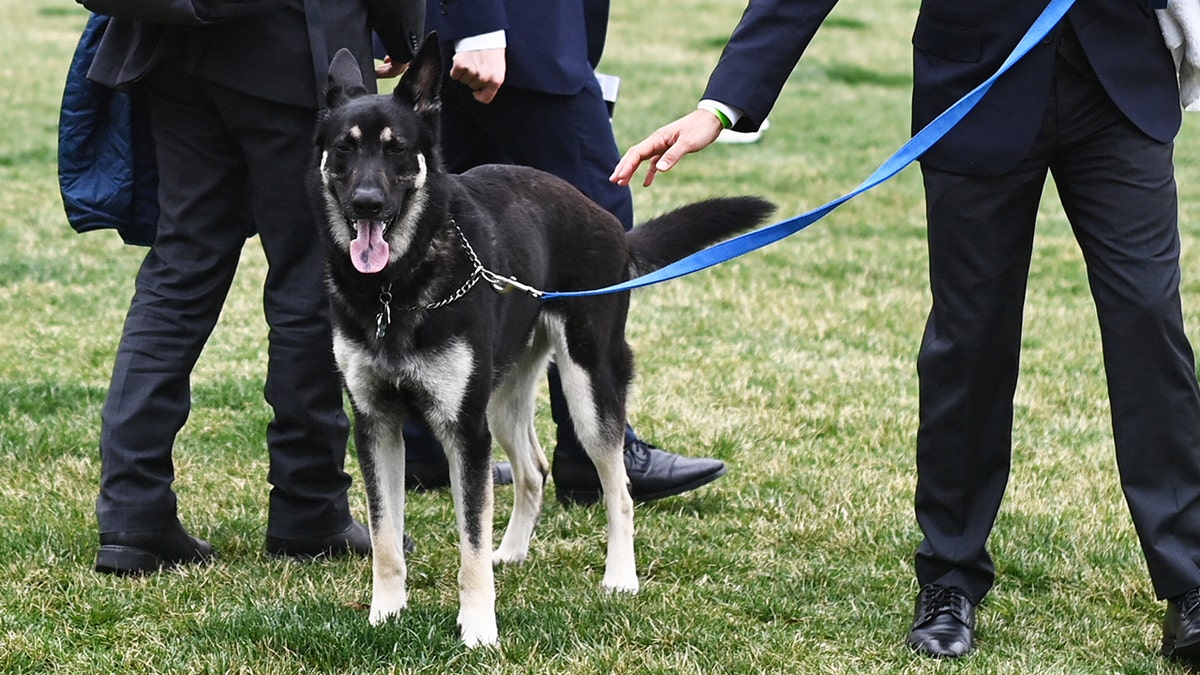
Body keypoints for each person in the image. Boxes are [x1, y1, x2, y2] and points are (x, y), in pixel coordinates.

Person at [610, 0, 1200, 661]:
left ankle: (1191, 580)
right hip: (979, 81)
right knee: (971, 334)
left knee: (1149, 319)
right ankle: (949, 574)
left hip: (1118, 80)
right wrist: (722, 105)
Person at [81, 0, 424, 575]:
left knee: (180, 270)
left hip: (176, 45)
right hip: (296, 53)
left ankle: (132, 513)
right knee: (308, 281)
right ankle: (308, 505)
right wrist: (400, 32)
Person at [402, 0, 729, 507]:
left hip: (477, 30)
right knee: (598, 225)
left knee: (456, 229)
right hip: (516, 33)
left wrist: (406, 25)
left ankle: (429, 432)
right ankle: (589, 445)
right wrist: (481, 25)